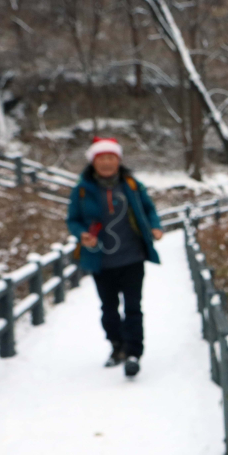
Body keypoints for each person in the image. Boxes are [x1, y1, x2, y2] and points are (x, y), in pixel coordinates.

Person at [66, 137, 163, 377]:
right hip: (101, 261)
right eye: (102, 158)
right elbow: (73, 220)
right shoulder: (82, 191)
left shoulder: (131, 185)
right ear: (93, 162)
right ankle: (116, 346)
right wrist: (82, 235)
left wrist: (155, 227)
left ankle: (133, 353)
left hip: (132, 257)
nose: (107, 163)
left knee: (133, 307)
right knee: (108, 309)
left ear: (118, 160)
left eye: (111, 158)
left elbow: (149, 209)